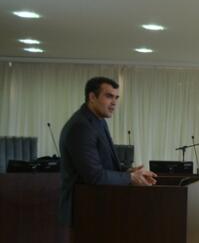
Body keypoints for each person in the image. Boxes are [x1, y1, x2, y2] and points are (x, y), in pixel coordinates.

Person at [58, 77, 156, 225]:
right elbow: (94, 176)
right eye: (109, 96)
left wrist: (129, 172)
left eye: (116, 97)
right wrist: (131, 178)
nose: (114, 103)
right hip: (85, 208)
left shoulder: (98, 121)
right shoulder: (81, 126)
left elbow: (104, 164)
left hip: (100, 205)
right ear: (92, 97)